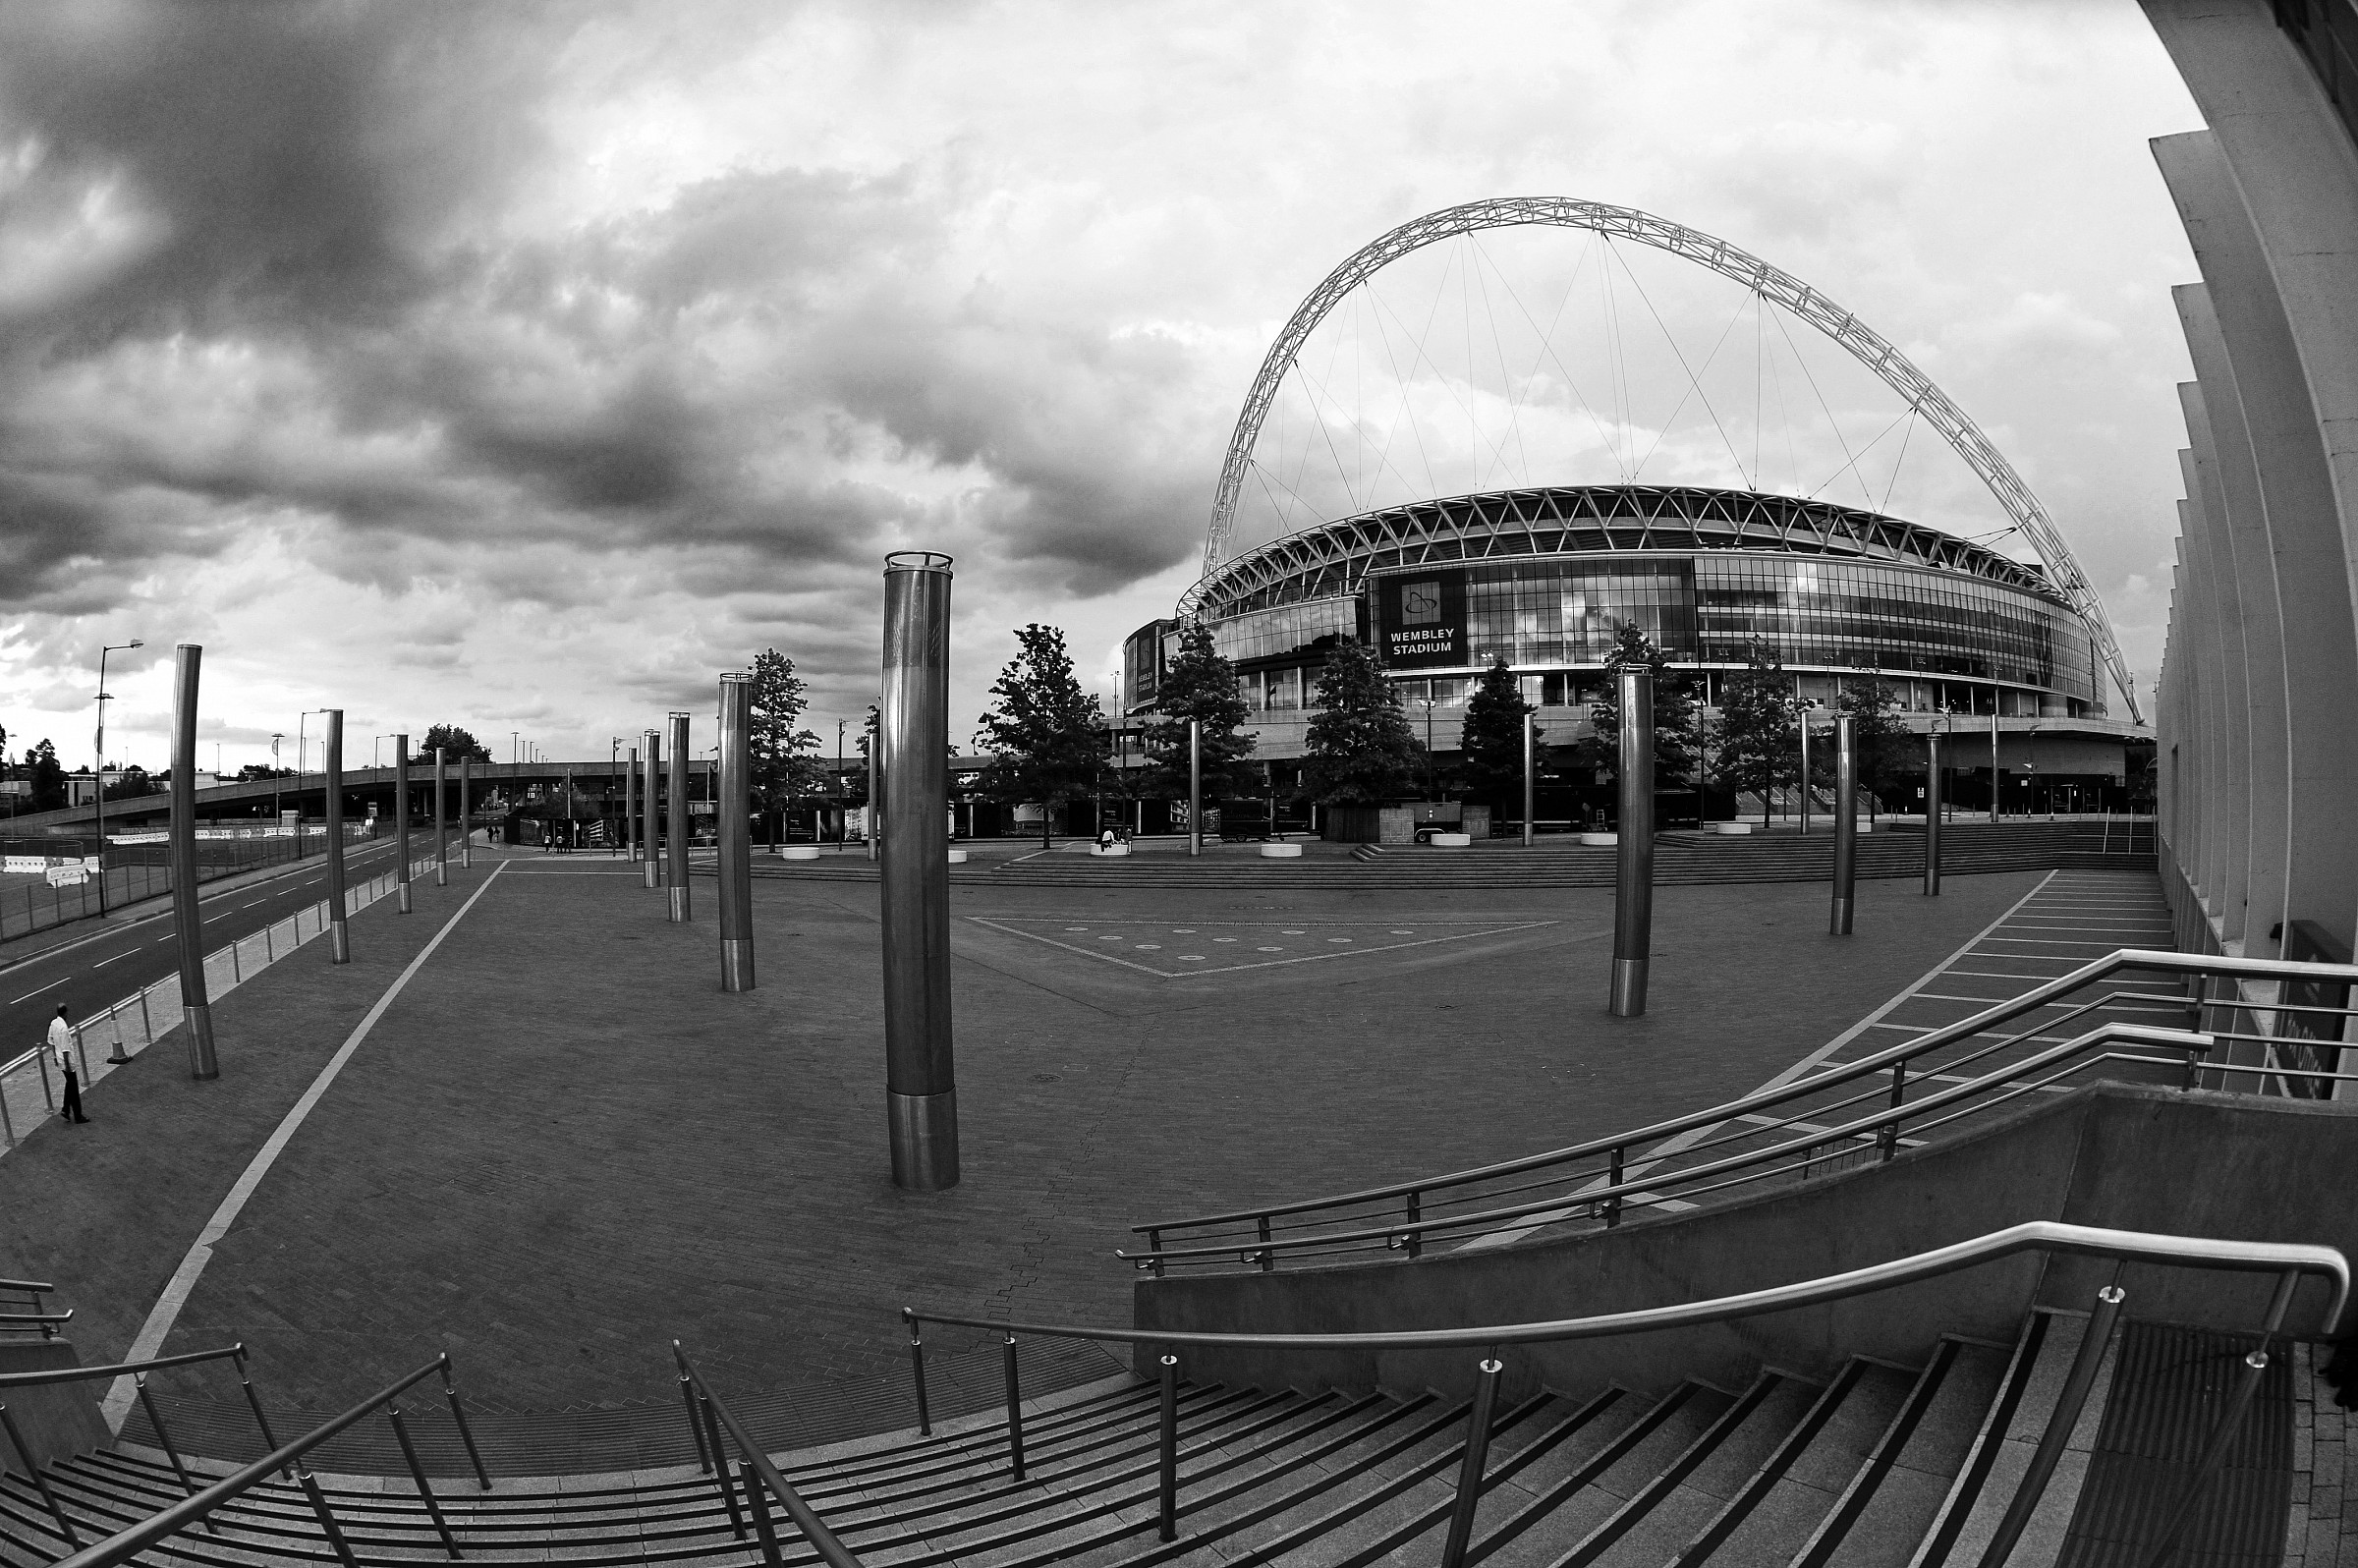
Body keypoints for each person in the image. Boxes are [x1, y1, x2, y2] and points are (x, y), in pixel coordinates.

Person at [48, 1005, 88, 1125]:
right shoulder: (64, 1029)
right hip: (67, 1062)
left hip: (60, 1060)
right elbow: (66, 1049)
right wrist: (68, 1065)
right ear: (65, 1013)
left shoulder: (53, 1023)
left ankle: (65, 1110)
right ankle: (77, 1116)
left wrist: (55, 1057)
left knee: (69, 1085)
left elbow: (51, 1041)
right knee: (74, 1089)